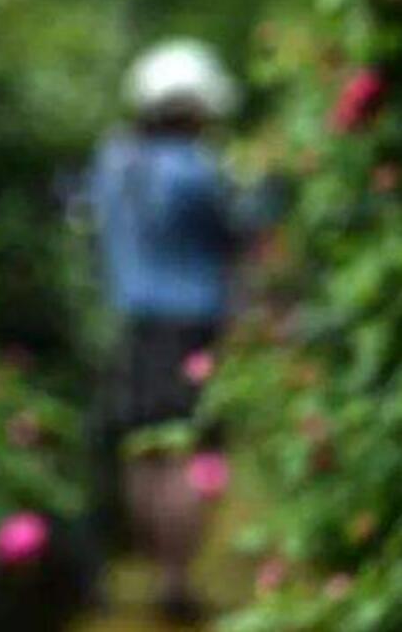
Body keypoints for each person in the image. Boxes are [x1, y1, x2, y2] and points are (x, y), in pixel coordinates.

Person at [91, 39, 242, 622]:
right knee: (186, 449)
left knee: (145, 448)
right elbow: (235, 234)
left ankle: (156, 569)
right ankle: (177, 580)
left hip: (132, 318)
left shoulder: (114, 160)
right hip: (190, 324)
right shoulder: (198, 169)